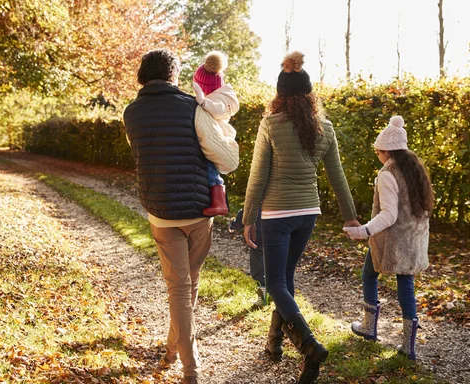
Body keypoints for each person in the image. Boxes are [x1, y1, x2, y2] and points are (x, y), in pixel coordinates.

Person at [242, 51, 359, 384]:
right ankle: (274, 345)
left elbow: (257, 175)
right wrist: (350, 216)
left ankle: (308, 345)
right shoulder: (325, 128)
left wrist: (249, 216)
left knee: (275, 281)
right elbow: (337, 176)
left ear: (279, 96)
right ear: (310, 95)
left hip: (277, 214)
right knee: (285, 281)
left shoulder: (271, 124)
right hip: (308, 213)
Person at [122, 49, 239, 384]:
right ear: (174, 75)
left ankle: (174, 352)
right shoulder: (192, 106)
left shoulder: (131, 113)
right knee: (188, 285)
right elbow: (226, 160)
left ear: (143, 75)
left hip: (160, 211)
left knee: (179, 288)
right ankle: (191, 370)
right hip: (199, 210)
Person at [343, 115, 434, 361]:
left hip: (391, 241)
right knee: (406, 285)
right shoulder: (414, 170)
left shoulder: (388, 174)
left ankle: (369, 327)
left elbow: (389, 215)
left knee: (369, 274)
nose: (377, 156)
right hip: (413, 239)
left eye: (377, 151)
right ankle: (408, 345)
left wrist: (363, 231)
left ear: (385, 150)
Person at [192, 51, 239, 216]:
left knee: (211, 167)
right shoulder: (217, 97)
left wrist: (203, 101)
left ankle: (219, 202)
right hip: (213, 133)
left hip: (218, 135)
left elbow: (218, 109)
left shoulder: (220, 99)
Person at [228, 208, 267, 307]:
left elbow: (246, 211)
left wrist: (234, 225)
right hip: (277, 238)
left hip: (257, 241)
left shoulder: (255, 200)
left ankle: (262, 298)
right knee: (276, 270)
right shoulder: (276, 199)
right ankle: (277, 297)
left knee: (259, 271)